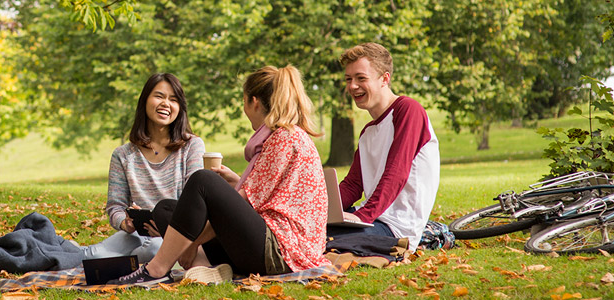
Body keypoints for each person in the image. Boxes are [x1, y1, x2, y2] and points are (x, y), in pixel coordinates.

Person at [109, 65, 332, 285]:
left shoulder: (283, 138)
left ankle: (157, 268)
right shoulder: (283, 137)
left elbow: (246, 203)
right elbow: (266, 196)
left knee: (204, 180)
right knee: (166, 209)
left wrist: (193, 242)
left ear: (253, 102)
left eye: (243, 101)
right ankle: (206, 268)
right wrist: (235, 183)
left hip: (281, 253)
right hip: (267, 247)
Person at [82, 73, 205, 262]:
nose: (166, 103)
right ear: (145, 100)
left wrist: (168, 227)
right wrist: (125, 223)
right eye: (159, 96)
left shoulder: (191, 146)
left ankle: (123, 263)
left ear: (180, 108)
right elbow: (115, 206)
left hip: (175, 236)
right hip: (136, 234)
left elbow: (195, 204)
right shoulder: (123, 155)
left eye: (173, 100)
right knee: (93, 257)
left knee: (152, 250)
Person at [332, 42, 441, 251]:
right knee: (309, 230)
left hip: (396, 229)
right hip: (372, 220)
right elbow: (353, 185)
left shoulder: (408, 110)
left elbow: (396, 173)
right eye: (348, 79)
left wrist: (361, 217)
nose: (352, 86)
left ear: (385, 78)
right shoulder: (368, 132)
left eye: (361, 78)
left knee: (321, 242)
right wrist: (322, 206)